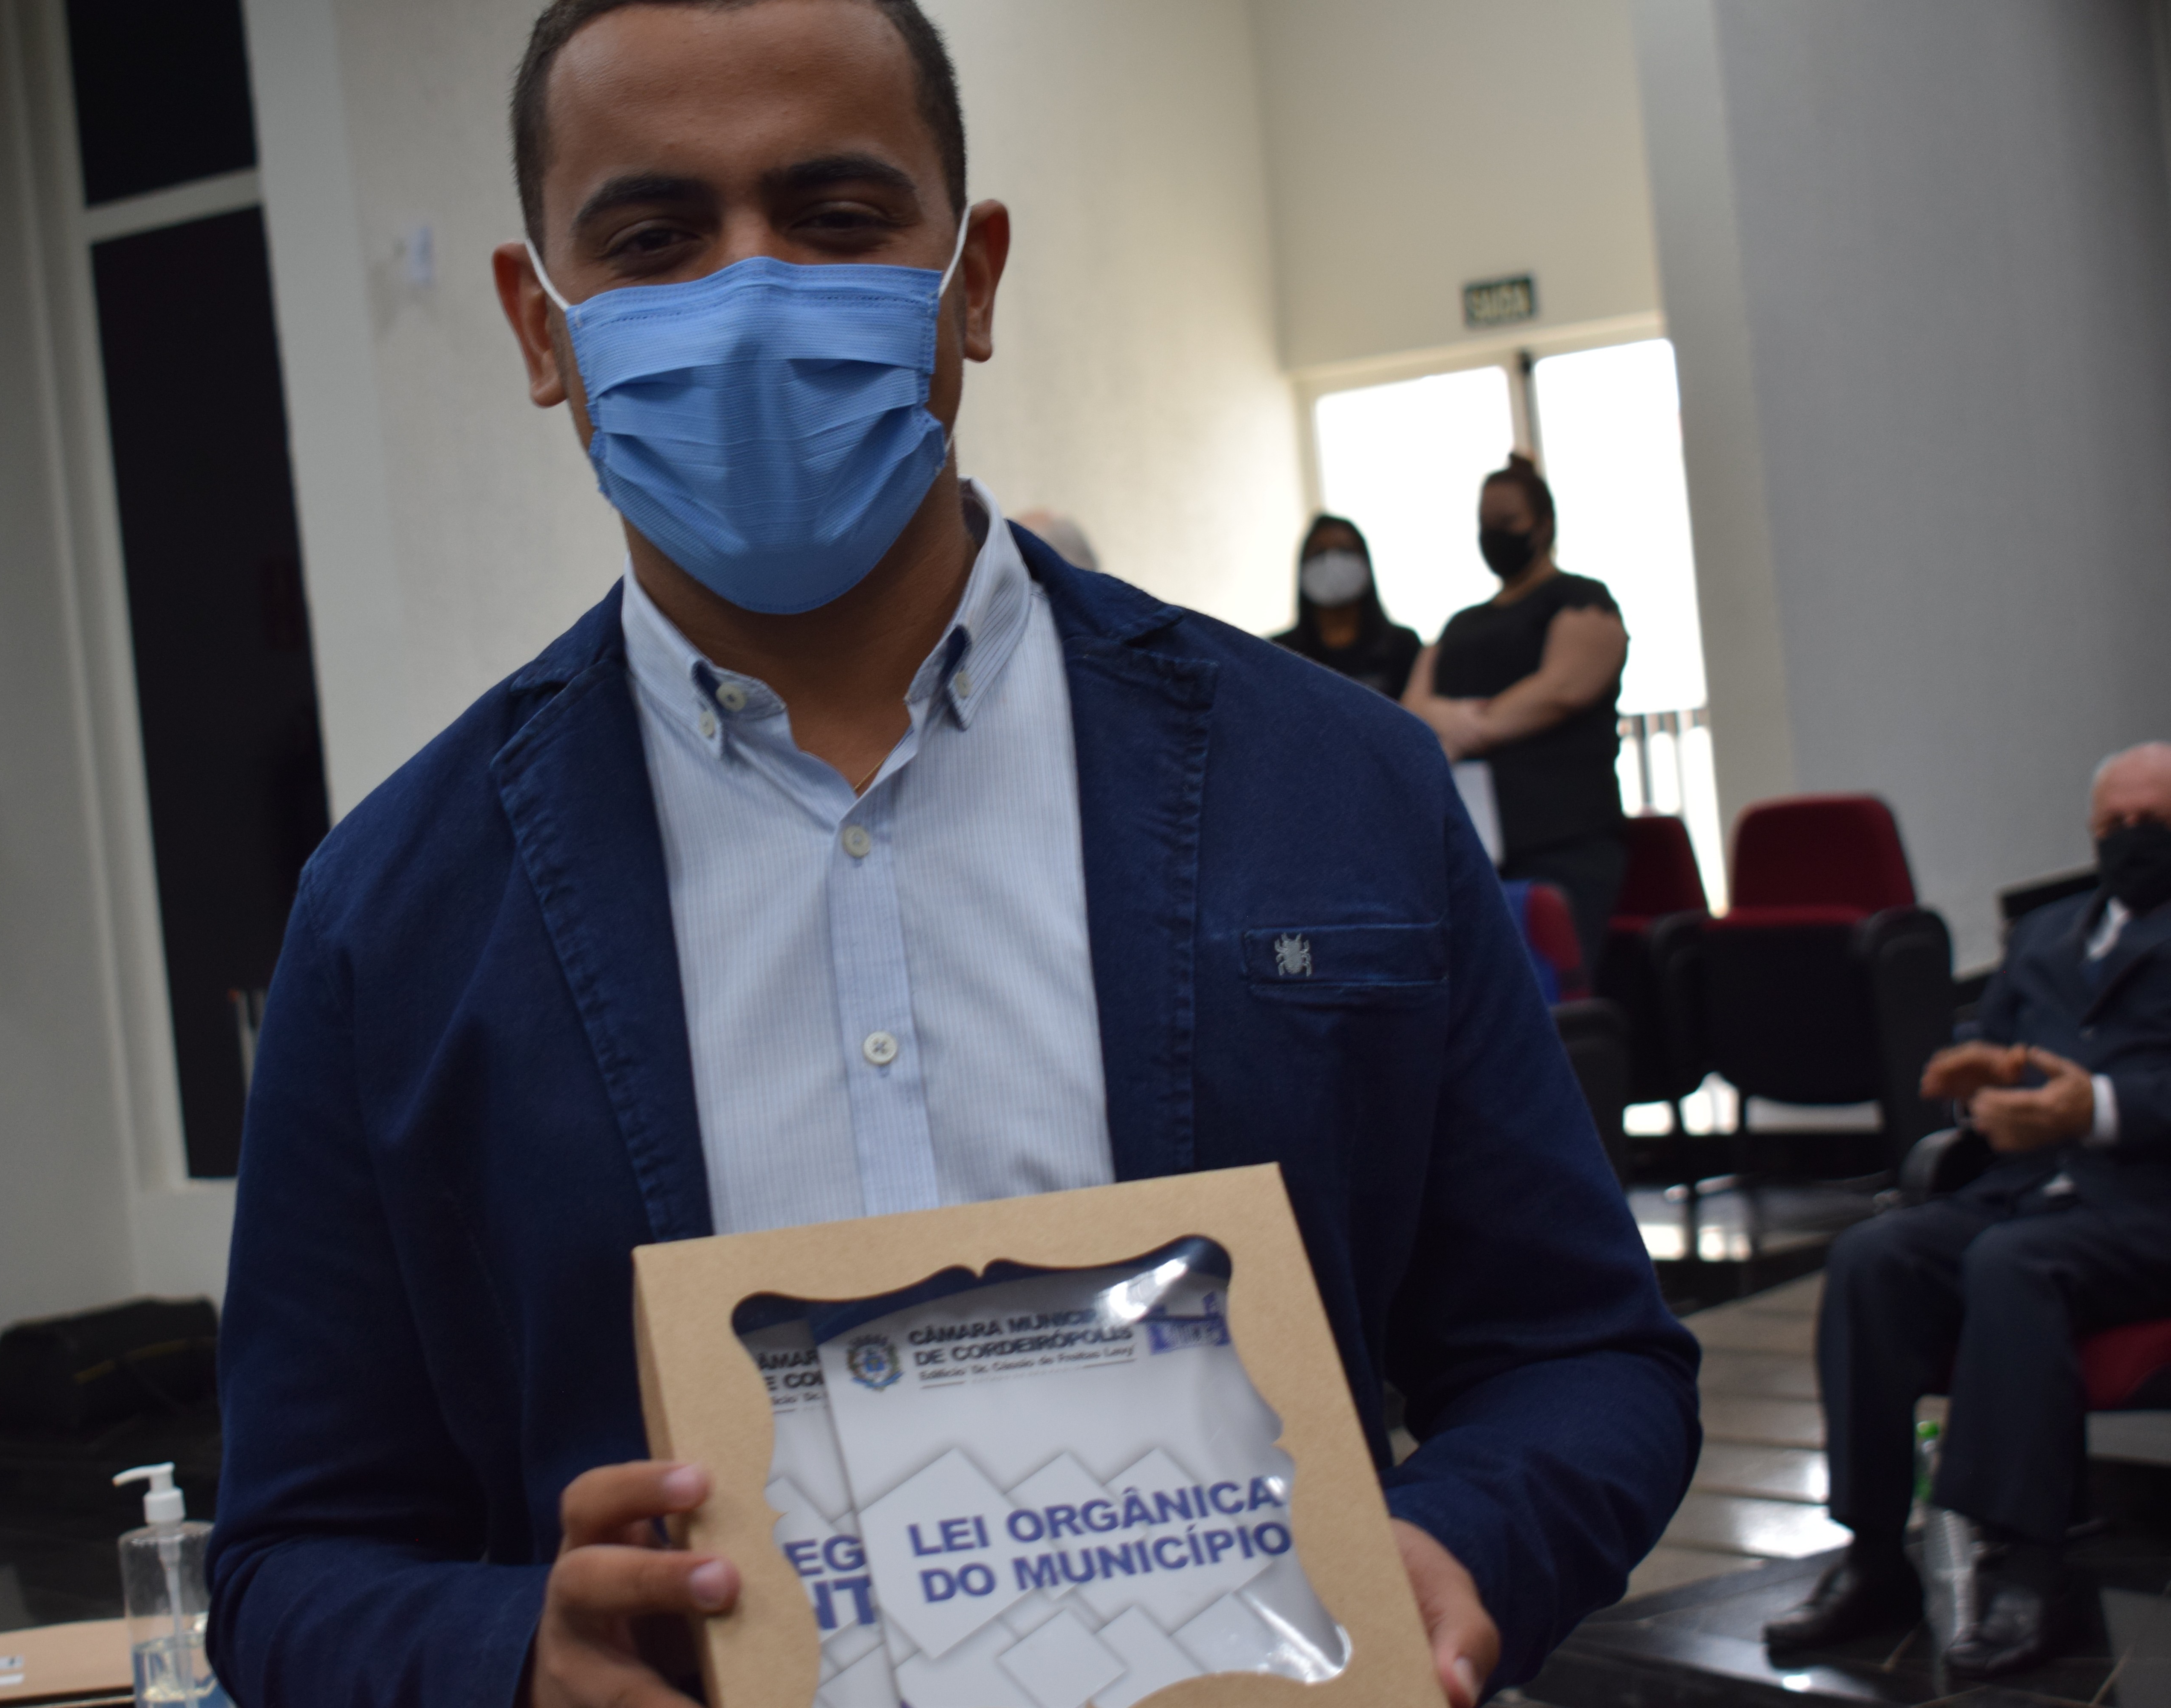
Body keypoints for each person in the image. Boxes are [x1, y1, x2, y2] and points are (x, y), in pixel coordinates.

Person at [206, 5, 1699, 1705]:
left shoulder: (1334, 783)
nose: (751, 295)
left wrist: (1463, 1543)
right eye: (656, 239)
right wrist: (517, 1663)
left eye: (836, 218)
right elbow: (290, 1561)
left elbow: (1583, 1356)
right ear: (541, 327)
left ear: (970, 281)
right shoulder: (393, 916)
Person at [1766, 743, 2171, 1676]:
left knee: (2013, 1263)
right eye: (2115, 824)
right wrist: (1981, 1081)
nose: (2131, 839)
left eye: (2153, 823)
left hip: (2148, 1206)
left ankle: (2031, 1568)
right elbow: (1996, 1051)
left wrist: (2098, 1108)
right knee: (1873, 1256)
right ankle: (1873, 1552)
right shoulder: (2047, 933)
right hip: (2028, 1189)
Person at [1404, 455, 1628, 972]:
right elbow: (1414, 707)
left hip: (1564, 842)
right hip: (1478, 848)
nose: (1494, 535)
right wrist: (1453, 723)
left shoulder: (1582, 599)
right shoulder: (1461, 624)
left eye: (1507, 522)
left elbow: (1562, 689)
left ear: (1543, 525)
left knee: (1550, 985)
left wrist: (1466, 727)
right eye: (1485, 524)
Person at [1272, 512, 1421, 698]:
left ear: (1365, 563)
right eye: (1319, 553)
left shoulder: (1403, 645)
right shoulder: (1278, 652)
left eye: (1345, 551)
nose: (1332, 561)